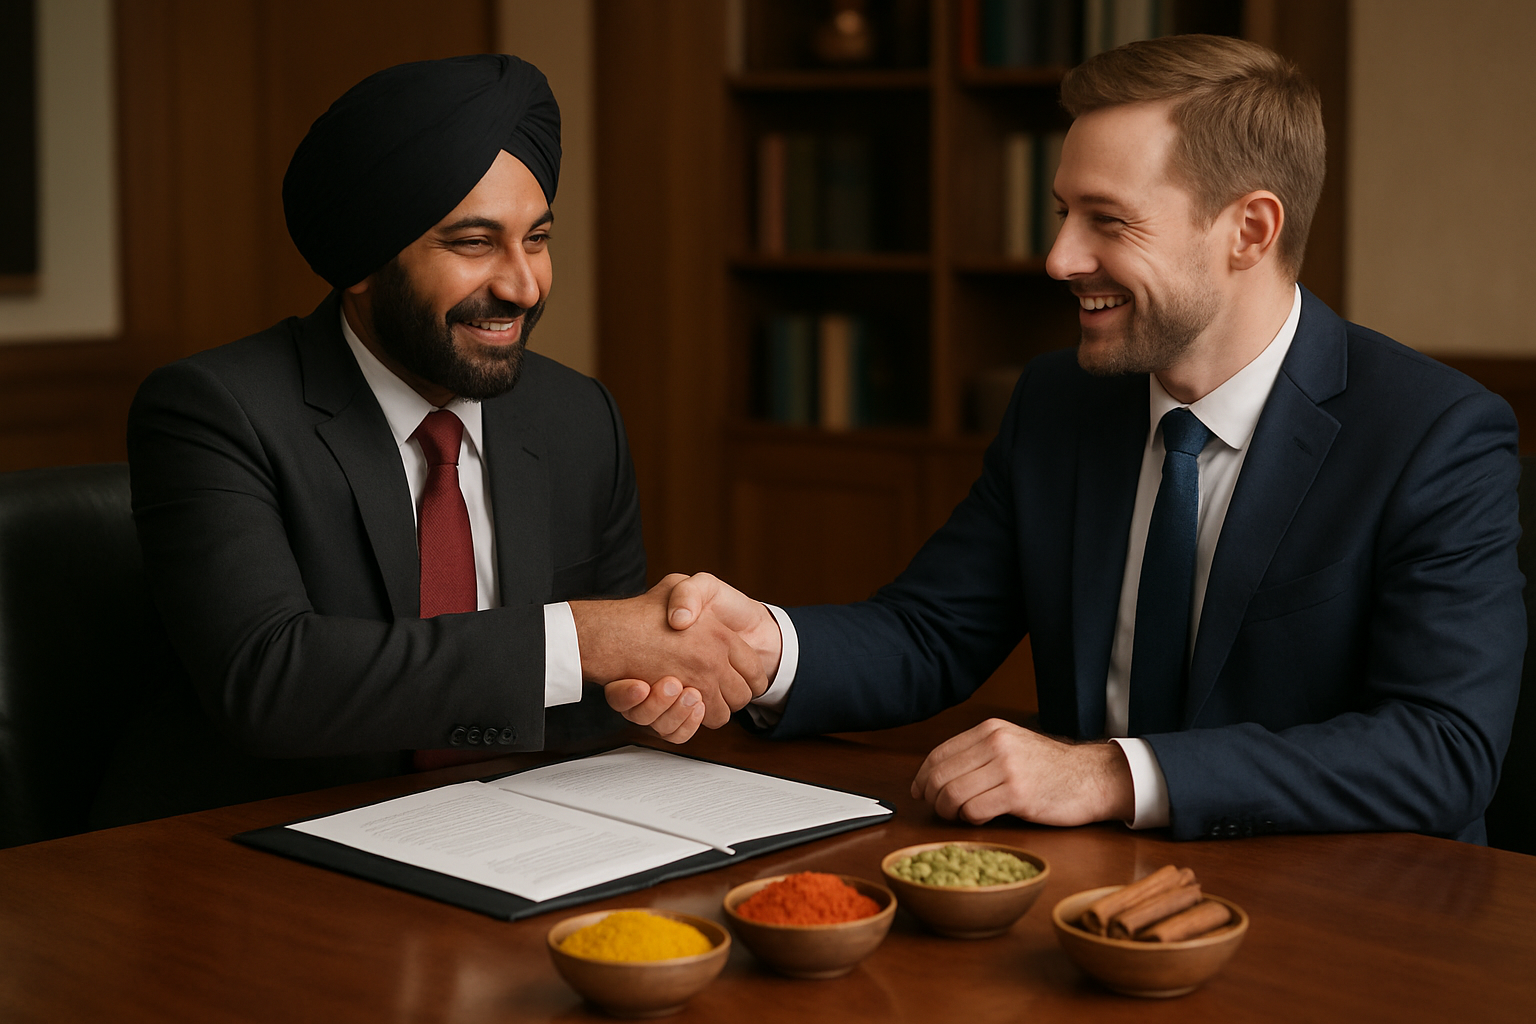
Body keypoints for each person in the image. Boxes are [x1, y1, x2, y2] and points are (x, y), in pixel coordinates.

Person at [632, 35, 1525, 842]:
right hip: (1083, 893)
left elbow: (1442, 748)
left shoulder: (1432, 435)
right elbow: (931, 631)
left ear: (1249, 230)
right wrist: (763, 649)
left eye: (1108, 219)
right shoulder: (1060, 399)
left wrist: (1108, 774)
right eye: (1063, 212)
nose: (1059, 258)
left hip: (1343, 914)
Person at [102, 55, 753, 824]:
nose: (523, 286)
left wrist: (647, 683)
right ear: (361, 261)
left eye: (537, 238)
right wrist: (583, 638)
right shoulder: (212, 410)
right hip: (264, 847)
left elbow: (591, 697)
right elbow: (269, 679)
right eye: (475, 243)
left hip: (520, 836)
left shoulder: (580, 416)